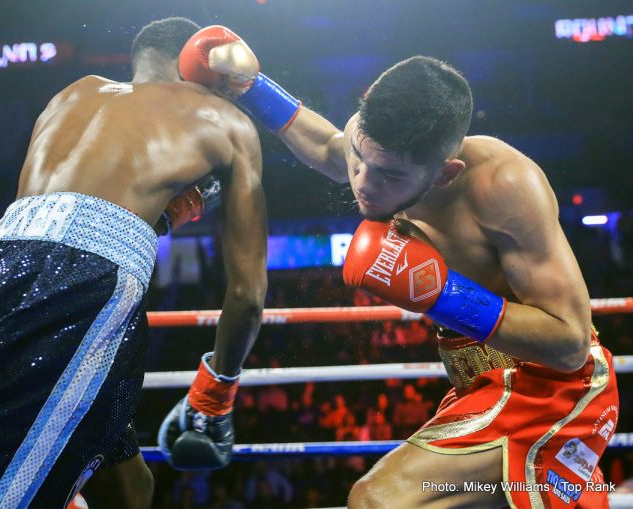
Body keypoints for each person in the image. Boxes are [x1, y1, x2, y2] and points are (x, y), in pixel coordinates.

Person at [179, 26, 619, 508]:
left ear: (445, 172)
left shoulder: (505, 187)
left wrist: (441, 293)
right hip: (479, 384)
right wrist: (250, 87)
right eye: (361, 160)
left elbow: (572, 343)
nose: (364, 185)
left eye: (389, 175)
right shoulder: (372, 144)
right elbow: (328, 146)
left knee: (379, 500)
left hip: (554, 391)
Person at [0, 17, 268, 508]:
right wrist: (216, 393)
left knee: (129, 487)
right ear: (199, 65)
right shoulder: (223, 120)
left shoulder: (74, 93)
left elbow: (60, 206)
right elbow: (248, 296)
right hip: (76, 290)